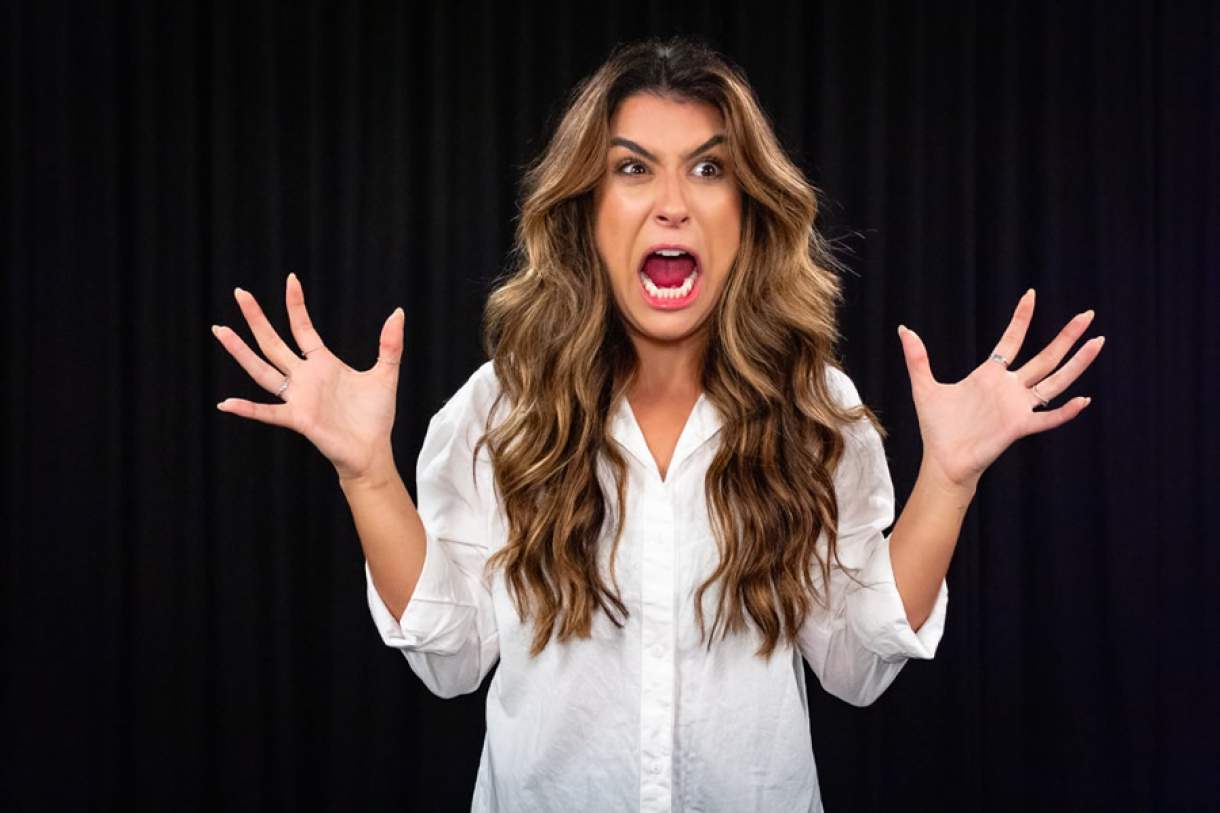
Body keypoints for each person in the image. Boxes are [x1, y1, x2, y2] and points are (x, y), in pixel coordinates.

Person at [211, 35, 1103, 813]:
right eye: (632, 168)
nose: (672, 201)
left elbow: (856, 664)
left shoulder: (813, 411)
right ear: (587, 211)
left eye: (709, 169)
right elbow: (451, 657)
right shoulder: (502, 408)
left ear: (747, 214)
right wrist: (367, 474)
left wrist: (948, 481)